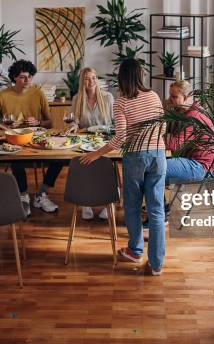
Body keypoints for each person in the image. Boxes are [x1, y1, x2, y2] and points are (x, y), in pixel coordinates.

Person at [80, 59, 167, 276]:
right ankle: (156, 265)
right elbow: (163, 126)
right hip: (158, 155)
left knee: (132, 206)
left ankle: (135, 250)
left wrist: (95, 154)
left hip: (136, 157)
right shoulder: (154, 96)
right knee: (156, 210)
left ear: (122, 77)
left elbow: (120, 138)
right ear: (140, 75)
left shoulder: (121, 102)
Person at [142, 80, 214, 234]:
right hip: (191, 159)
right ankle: (159, 208)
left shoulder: (193, 117)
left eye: (174, 97)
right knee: (152, 168)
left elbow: (175, 144)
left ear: (187, 97)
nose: (170, 100)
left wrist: (154, 137)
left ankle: (159, 216)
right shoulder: (187, 111)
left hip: (199, 166)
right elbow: (170, 134)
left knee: (150, 170)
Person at [0, 59, 59, 214]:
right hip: (14, 139)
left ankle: (41, 194)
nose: (27, 80)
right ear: (14, 77)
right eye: (22, 77)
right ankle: (23, 195)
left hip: (36, 140)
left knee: (58, 159)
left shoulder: (38, 93)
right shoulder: (3, 95)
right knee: (17, 158)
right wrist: (5, 125)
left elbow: (50, 123)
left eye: (30, 77)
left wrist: (38, 121)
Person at [69, 67, 114, 220]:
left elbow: (114, 123)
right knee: (84, 163)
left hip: (104, 140)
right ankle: (85, 202)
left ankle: (109, 201)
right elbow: (74, 122)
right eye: (88, 78)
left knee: (106, 165)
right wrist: (73, 126)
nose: (91, 81)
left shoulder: (108, 97)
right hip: (85, 141)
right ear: (82, 81)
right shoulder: (77, 99)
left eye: (94, 78)